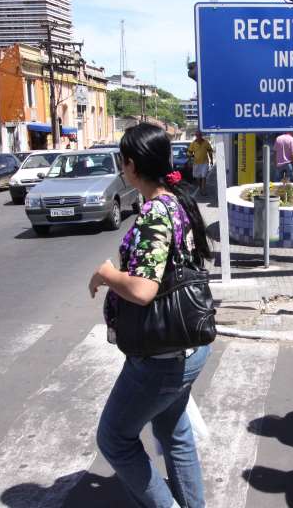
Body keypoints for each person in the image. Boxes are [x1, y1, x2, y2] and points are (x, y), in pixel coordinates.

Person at [89, 123, 213, 508]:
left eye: (121, 161)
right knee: (173, 430)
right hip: (187, 344)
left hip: (161, 356)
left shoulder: (155, 213)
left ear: (130, 164)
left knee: (114, 438)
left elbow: (143, 290)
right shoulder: (177, 201)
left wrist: (107, 275)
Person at [188, 130, 214, 196]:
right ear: (196, 136)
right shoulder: (193, 143)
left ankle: (203, 190)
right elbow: (189, 152)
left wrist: (211, 160)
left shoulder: (206, 142)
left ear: (201, 135)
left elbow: (210, 151)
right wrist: (190, 159)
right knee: (197, 178)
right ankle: (200, 188)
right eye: (197, 135)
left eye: (199, 135)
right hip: (196, 163)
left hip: (205, 162)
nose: (198, 136)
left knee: (203, 176)